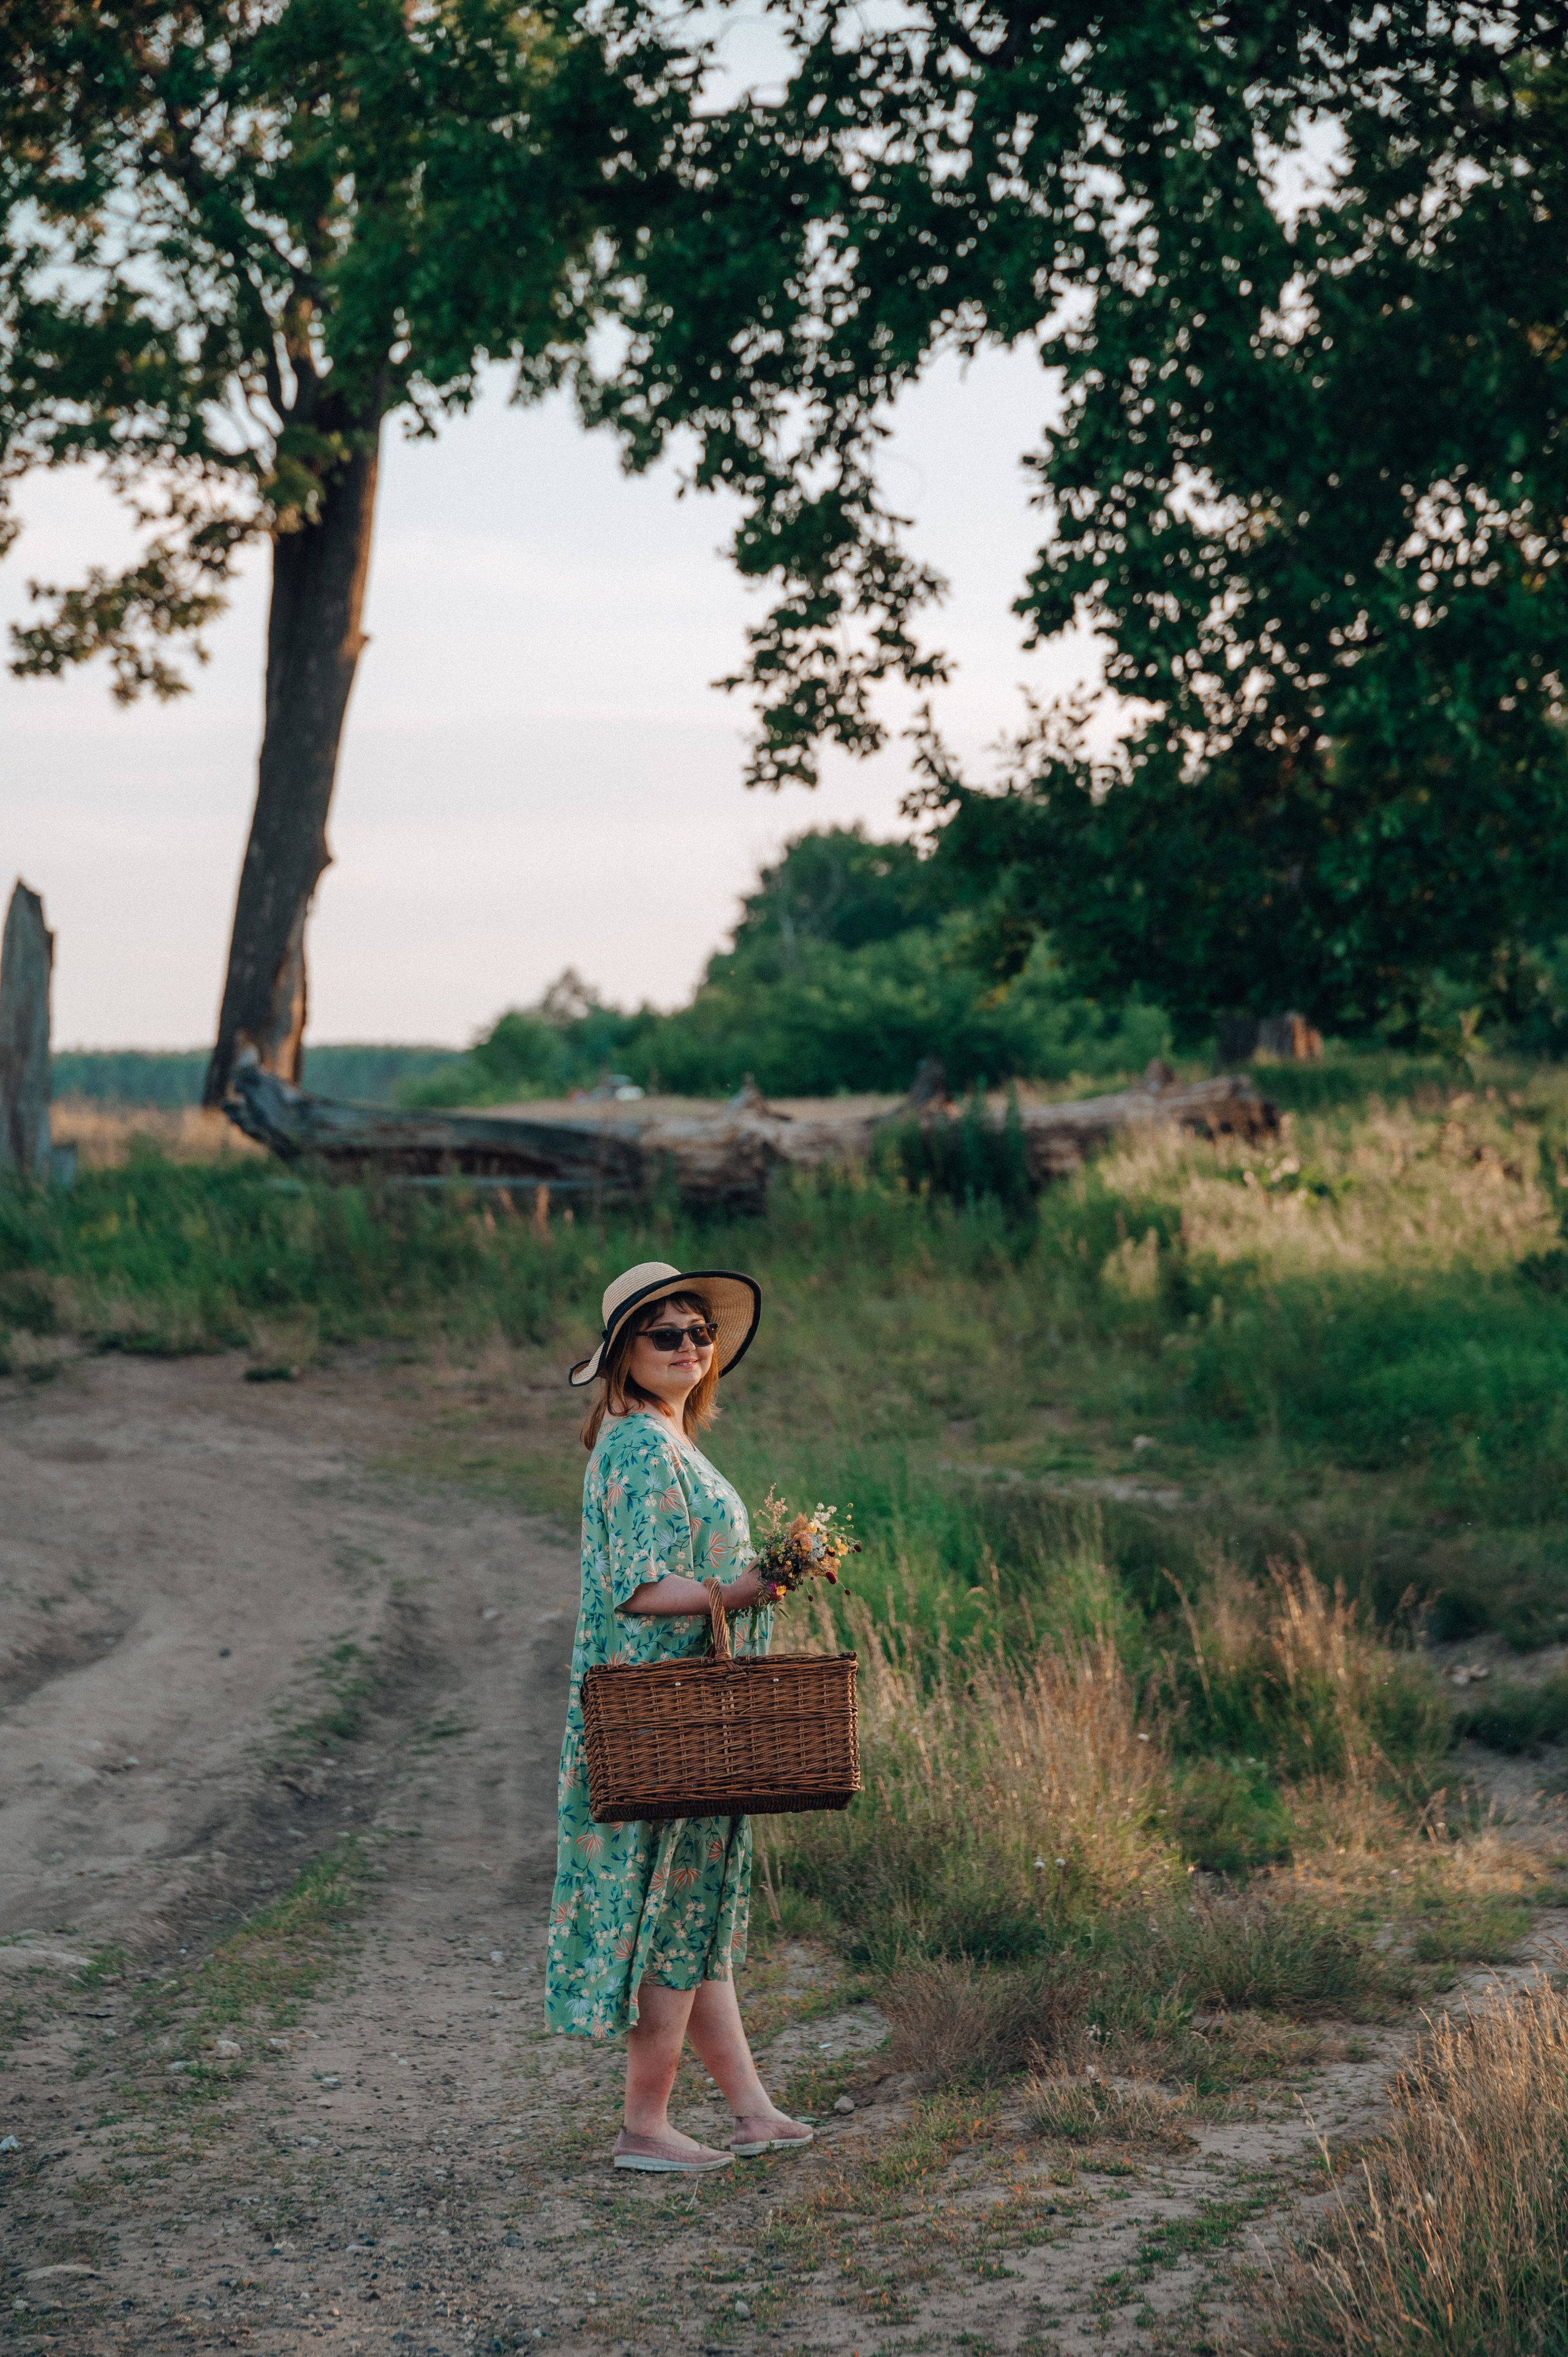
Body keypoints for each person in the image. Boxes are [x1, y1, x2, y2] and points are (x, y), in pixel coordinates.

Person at [545, 1258, 814, 2174]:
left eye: (700, 1332)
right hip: (662, 1718)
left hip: (689, 1712)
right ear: (625, 1351)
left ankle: (751, 2112)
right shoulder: (636, 1446)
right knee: (672, 1918)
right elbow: (641, 1589)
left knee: (692, 1912)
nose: (691, 1346)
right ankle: (645, 2126)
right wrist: (752, 1587)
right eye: (667, 1334)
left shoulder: (666, 1436)